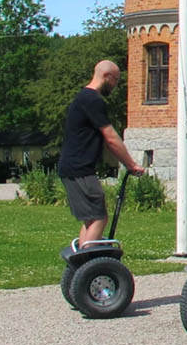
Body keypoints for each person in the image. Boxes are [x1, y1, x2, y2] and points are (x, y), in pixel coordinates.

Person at [58, 60, 144, 248]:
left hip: (72, 167)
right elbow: (111, 137)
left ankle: (80, 265)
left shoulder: (82, 97)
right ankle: (86, 266)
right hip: (80, 169)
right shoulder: (93, 100)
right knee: (99, 218)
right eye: (115, 80)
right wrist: (131, 165)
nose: (115, 85)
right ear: (106, 76)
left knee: (90, 219)